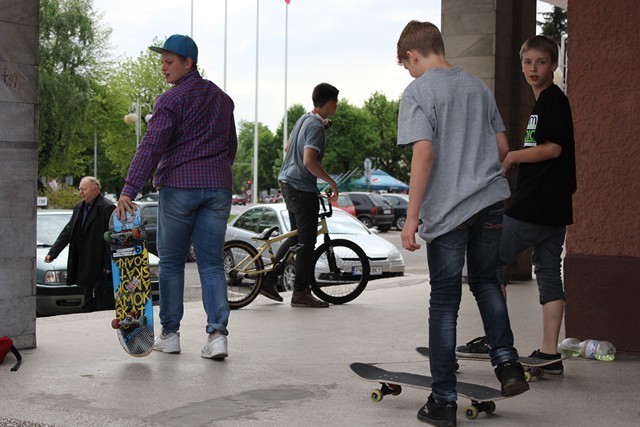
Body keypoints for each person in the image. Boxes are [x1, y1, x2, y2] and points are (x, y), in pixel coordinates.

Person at [396, 21, 529, 426]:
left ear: (413, 55)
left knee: (444, 301)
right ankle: (507, 364)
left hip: (449, 211)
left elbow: (424, 155)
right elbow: (503, 146)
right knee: (487, 281)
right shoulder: (477, 86)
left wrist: (412, 216)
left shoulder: (419, 92)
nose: (408, 72)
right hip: (489, 203)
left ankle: (444, 400)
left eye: (406, 65)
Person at [456, 35, 576, 376]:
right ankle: (550, 355)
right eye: (527, 62)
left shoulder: (552, 100)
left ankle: (498, 341)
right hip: (552, 209)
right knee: (550, 275)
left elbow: (553, 149)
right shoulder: (544, 103)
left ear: (553, 65)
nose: (533, 68)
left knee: (487, 262)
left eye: (540, 62)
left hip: (535, 206)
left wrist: (511, 158)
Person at [115, 34, 237, 360]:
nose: (164, 68)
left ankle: (170, 335)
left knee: (171, 262)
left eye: (169, 62)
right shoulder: (223, 100)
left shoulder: (170, 101)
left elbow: (152, 146)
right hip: (217, 187)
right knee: (211, 264)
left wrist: (129, 189)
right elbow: (231, 146)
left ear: (188, 63)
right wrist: (216, 173)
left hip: (180, 186)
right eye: (162, 62)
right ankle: (217, 336)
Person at [259, 83, 339, 307]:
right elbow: (308, 161)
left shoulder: (305, 119)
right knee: (306, 242)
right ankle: (300, 293)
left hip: (287, 182)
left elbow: (287, 148)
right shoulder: (315, 127)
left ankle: (269, 280)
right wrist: (330, 181)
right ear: (331, 102)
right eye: (337, 102)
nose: (338, 105)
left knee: (296, 236)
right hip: (301, 188)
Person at [45, 176, 115, 312]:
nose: (81, 192)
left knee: (102, 300)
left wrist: (108, 265)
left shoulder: (107, 208)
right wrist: (53, 252)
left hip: (98, 261)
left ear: (96, 190)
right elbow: (68, 231)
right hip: (83, 259)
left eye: (84, 189)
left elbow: (111, 238)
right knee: (86, 296)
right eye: (80, 189)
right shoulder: (79, 207)